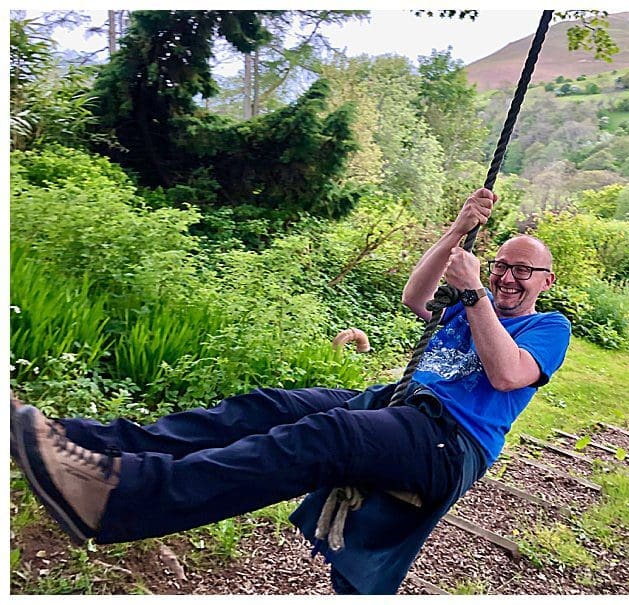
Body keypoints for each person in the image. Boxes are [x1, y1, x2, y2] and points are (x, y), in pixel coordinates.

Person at [10, 187, 571, 594]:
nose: (508, 277)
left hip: (449, 443)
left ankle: (117, 499)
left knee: (327, 435)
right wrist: (456, 230)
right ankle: (80, 442)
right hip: (394, 405)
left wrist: (473, 293)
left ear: (546, 281)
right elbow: (413, 296)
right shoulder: (466, 307)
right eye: (501, 265)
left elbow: (505, 375)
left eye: (525, 271)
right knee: (271, 407)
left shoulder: (547, 328)